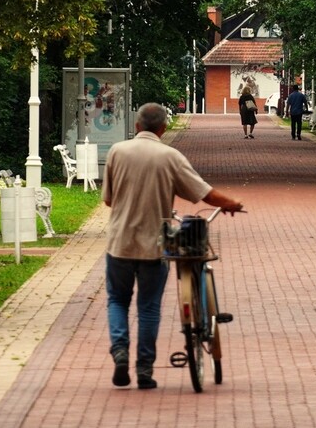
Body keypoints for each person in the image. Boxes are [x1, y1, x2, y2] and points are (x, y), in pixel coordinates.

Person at [101, 102, 243, 390]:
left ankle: (119, 351)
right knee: (149, 307)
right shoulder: (170, 157)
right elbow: (203, 193)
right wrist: (231, 203)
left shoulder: (118, 151)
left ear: (137, 125)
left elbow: (108, 199)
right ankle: (143, 370)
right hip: (155, 246)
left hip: (119, 243)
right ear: (163, 129)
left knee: (117, 300)